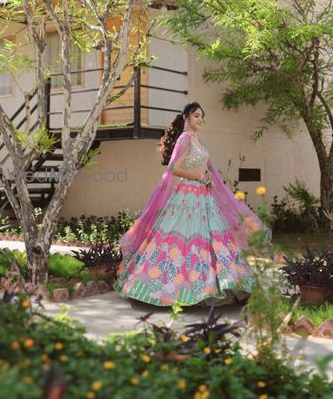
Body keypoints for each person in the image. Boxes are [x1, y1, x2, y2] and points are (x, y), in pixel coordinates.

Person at [113, 102, 268, 307]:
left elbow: (203, 166)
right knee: (182, 239)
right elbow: (174, 168)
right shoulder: (185, 138)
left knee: (212, 238)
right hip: (186, 197)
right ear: (186, 117)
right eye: (196, 115)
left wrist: (207, 178)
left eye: (202, 116)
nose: (200, 119)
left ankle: (223, 283)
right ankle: (171, 288)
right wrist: (199, 177)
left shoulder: (199, 140)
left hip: (204, 197)